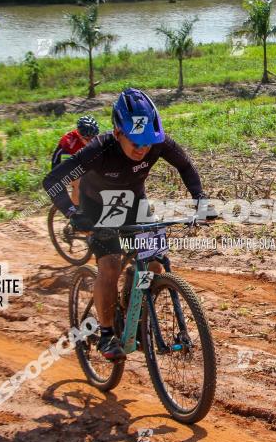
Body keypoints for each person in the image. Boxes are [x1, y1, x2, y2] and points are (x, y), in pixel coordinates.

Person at [43, 88, 212, 362]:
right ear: (118, 132)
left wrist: (200, 200)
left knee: (155, 264)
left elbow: (185, 166)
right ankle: (107, 332)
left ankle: (134, 315)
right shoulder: (98, 149)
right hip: (96, 205)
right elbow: (53, 180)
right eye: (136, 142)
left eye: (148, 142)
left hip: (133, 202)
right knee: (109, 264)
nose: (143, 149)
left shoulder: (158, 144)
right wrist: (73, 213)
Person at [51, 116, 100, 205]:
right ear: (80, 136)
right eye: (89, 139)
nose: (92, 141)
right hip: (61, 165)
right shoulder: (69, 143)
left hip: (77, 161)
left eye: (94, 137)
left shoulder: (91, 139)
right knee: (78, 183)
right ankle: (76, 213)